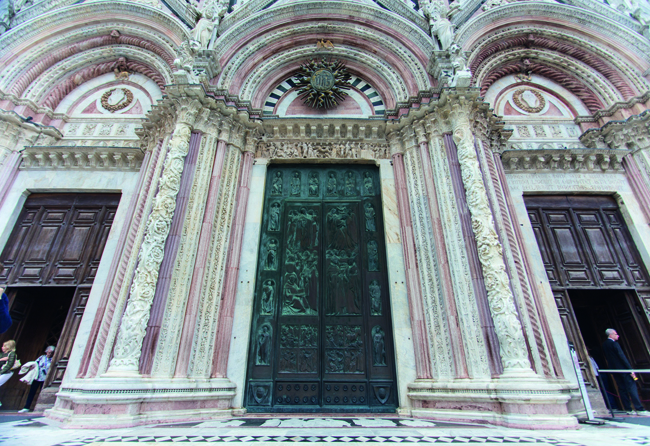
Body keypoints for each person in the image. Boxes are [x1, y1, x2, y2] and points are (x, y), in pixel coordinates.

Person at [602, 328, 649, 415]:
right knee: (632, 387)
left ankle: (628, 409)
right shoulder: (614, 344)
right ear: (611, 335)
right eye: (616, 334)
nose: (618, 336)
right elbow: (622, 357)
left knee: (622, 389)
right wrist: (630, 370)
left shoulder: (604, 345)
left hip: (614, 370)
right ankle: (639, 409)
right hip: (623, 369)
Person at [18, 345, 55, 413]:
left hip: (46, 379)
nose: (49, 354)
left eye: (51, 353)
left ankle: (42, 408)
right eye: (48, 352)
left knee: (43, 393)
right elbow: (35, 364)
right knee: (32, 392)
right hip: (37, 377)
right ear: (46, 351)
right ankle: (26, 407)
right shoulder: (41, 358)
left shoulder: (53, 359)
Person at [0, 339, 17, 407]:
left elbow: (9, 364)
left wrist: (1, 372)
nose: (2, 347)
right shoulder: (2, 354)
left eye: (4, 346)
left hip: (6, 372)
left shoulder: (12, 354)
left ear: (8, 347)